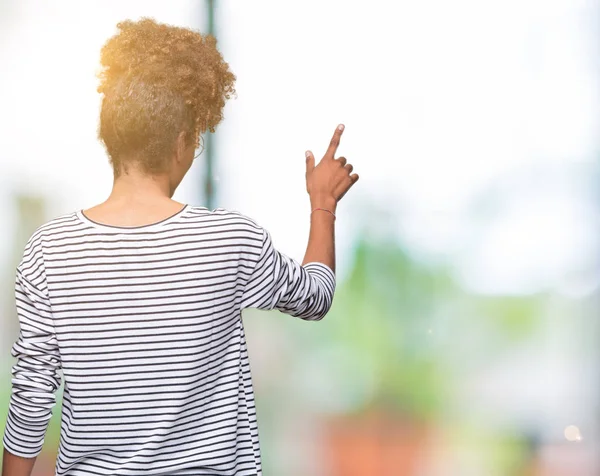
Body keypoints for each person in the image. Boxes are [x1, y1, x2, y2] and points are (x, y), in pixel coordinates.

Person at [1, 18, 358, 476]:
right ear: (182, 143)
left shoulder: (48, 251)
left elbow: (31, 397)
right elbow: (315, 295)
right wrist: (322, 204)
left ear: (110, 137)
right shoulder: (230, 241)